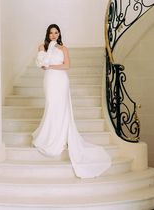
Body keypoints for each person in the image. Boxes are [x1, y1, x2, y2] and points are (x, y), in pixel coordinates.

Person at [32, 24, 111, 178]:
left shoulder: (64, 49)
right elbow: (42, 65)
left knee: (62, 108)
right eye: (51, 33)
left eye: (56, 32)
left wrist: (50, 65)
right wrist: (48, 59)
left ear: (59, 33)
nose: (53, 35)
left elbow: (67, 65)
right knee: (51, 106)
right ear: (48, 35)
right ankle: (48, 136)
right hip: (50, 80)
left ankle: (61, 137)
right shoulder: (42, 46)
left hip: (61, 81)